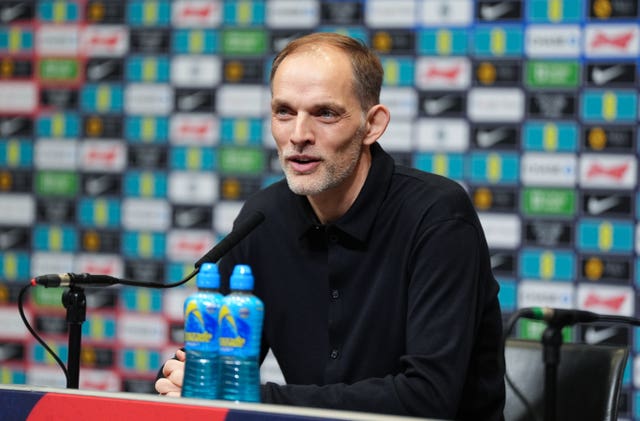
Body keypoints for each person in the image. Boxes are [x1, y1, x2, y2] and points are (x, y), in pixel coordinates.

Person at [156, 32, 505, 420]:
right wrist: (182, 381)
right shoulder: (262, 219)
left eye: (325, 114)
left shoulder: (437, 217)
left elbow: (427, 399)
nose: (299, 135)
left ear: (372, 125)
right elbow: (200, 367)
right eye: (284, 111)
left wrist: (253, 398)